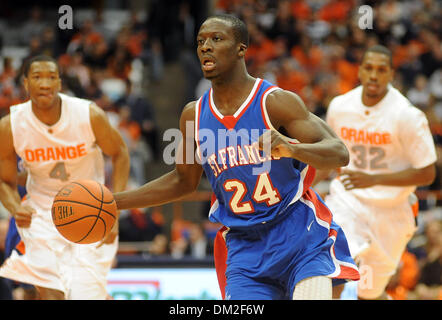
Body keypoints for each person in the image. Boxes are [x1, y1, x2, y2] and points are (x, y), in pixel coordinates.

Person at [113, 14, 359, 300]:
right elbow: (183, 181)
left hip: (298, 234)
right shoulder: (193, 115)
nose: (206, 46)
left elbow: (339, 153)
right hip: (245, 248)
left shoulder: (275, 102)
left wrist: (292, 149)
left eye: (217, 39)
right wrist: (115, 202)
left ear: (241, 48)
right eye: (201, 41)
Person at [0, 55, 130, 300]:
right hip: (41, 214)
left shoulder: (88, 114)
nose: (45, 83)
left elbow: (120, 153)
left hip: (90, 210)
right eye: (37, 77)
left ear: (60, 82)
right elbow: (4, 179)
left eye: (51, 77)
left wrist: (114, 209)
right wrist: (15, 207)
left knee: (86, 296)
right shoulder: (10, 125)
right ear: (25, 83)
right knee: (51, 293)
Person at [320, 45, 437, 299]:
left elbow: (427, 174)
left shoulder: (407, 116)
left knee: (370, 293)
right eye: (369, 68)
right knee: (331, 272)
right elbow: (330, 155)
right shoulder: (340, 107)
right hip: (347, 201)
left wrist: (374, 179)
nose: (374, 75)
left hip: (392, 211)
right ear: (360, 70)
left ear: (391, 74)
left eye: (381, 70)